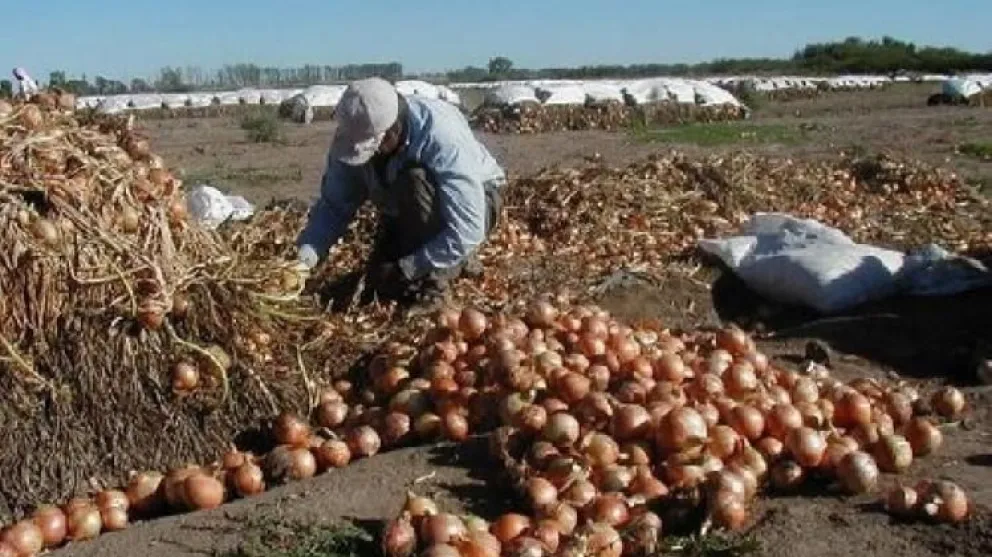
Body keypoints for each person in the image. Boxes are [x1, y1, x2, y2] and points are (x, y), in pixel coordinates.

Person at [295, 77, 506, 311]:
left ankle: (436, 284)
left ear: (393, 131)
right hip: (404, 206)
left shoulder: (440, 135)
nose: (366, 154)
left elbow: (468, 227)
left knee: (414, 180)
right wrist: (304, 261)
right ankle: (447, 258)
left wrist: (408, 267)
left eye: (371, 147)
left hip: (475, 201)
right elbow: (334, 206)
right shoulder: (352, 134)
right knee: (378, 283)